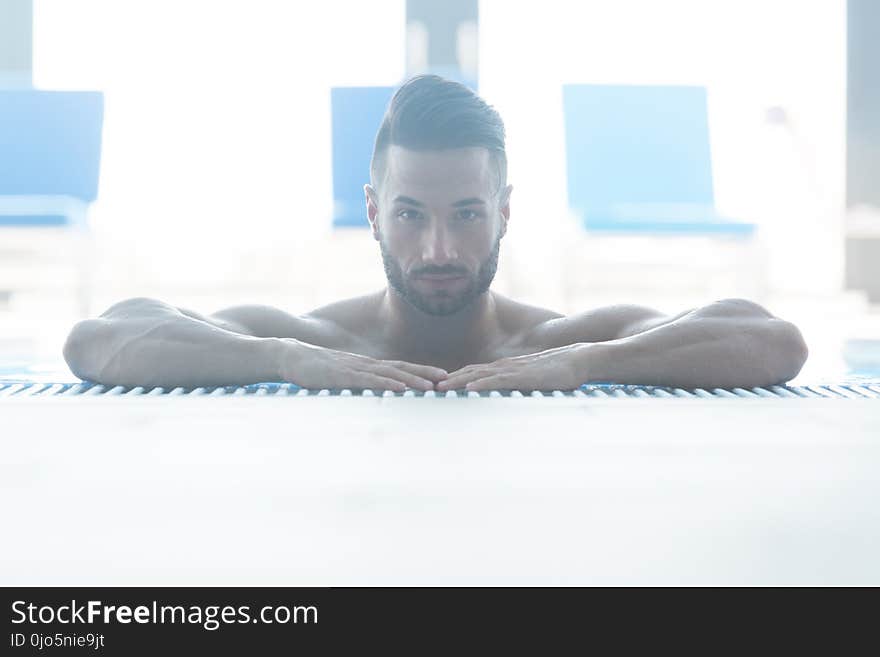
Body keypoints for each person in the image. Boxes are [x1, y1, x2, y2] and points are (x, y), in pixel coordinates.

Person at [63, 75, 807, 392]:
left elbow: (774, 340)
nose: (441, 250)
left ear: (506, 211)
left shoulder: (562, 342)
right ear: (372, 211)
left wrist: (588, 363)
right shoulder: (312, 340)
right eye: (412, 216)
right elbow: (97, 339)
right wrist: (281, 359)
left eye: (468, 215)